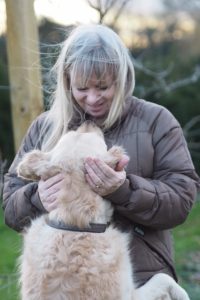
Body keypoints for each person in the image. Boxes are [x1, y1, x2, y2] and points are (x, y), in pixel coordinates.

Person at [3, 24, 200, 287]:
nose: (93, 98)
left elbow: (181, 200)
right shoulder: (45, 127)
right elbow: (10, 206)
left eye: (103, 87)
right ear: (67, 81)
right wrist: (36, 198)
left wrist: (125, 191)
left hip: (140, 280)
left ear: (122, 79)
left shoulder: (156, 121)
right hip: (58, 283)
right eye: (82, 88)